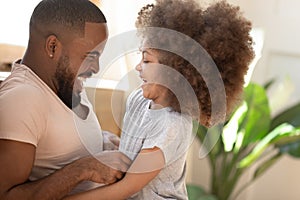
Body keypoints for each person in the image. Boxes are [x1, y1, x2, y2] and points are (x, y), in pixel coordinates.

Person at [64, 0, 255, 199]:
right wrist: (115, 143)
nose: (138, 67)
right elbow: (136, 150)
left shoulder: (171, 126)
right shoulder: (138, 98)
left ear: (175, 71)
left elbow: (128, 187)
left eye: (147, 60)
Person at [0, 0, 131, 199]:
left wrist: (99, 140)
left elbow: (55, 138)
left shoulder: (65, 81)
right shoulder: (23, 97)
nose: (95, 68)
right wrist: (82, 169)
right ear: (52, 46)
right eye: (90, 56)